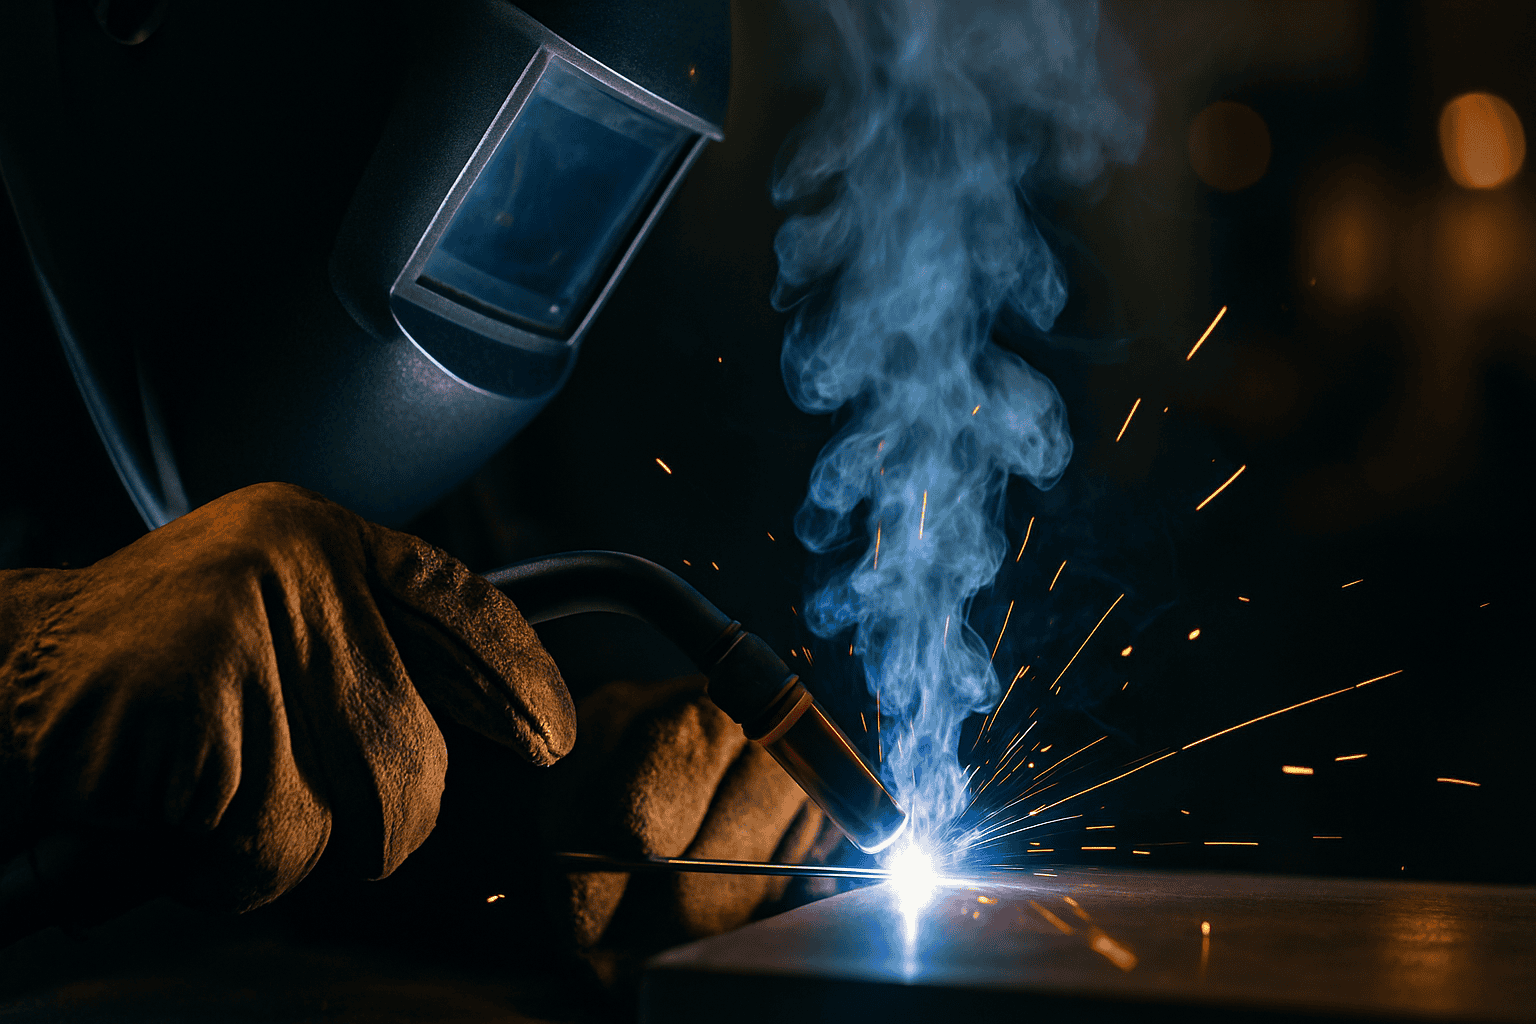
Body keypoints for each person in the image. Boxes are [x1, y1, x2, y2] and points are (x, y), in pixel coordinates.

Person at [0, 0, 825, 993]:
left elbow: (339, 788)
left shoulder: (438, 390)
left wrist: (533, 811)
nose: (513, 212)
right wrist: (24, 665)